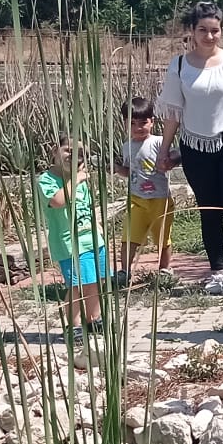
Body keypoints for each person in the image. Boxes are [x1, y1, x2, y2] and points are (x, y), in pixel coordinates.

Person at [157, 1, 223, 297]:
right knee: (209, 209)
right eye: (202, 30)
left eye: (214, 30)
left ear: (221, 31)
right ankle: (216, 272)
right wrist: (164, 151)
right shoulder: (178, 65)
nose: (209, 36)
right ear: (191, 31)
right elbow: (173, 114)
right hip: (195, 145)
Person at [38, 138, 105, 346]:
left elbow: (89, 205)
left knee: (96, 282)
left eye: (81, 152)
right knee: (77, 285)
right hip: (71, 244)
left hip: (92, 238)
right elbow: (57, 201)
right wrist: (75, 179)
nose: (74, 155)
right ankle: (73, 325)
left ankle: (94, 320)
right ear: (54, 151)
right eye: (68, 150)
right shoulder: (47, 180)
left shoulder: (79, 179)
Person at [120, 98, 174, 282]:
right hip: (136, 199)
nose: (138, 127)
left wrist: (168, 162)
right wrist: (117, 169)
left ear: (152, 121)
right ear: (125, 123)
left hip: (160, 199)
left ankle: (165, 269)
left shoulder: (159, 142)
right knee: (129, 237)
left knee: (163, 237)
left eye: (143, 122)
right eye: (132, 123)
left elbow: (173, 158)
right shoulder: (125, 147)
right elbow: (128, 171)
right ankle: (124, 271)